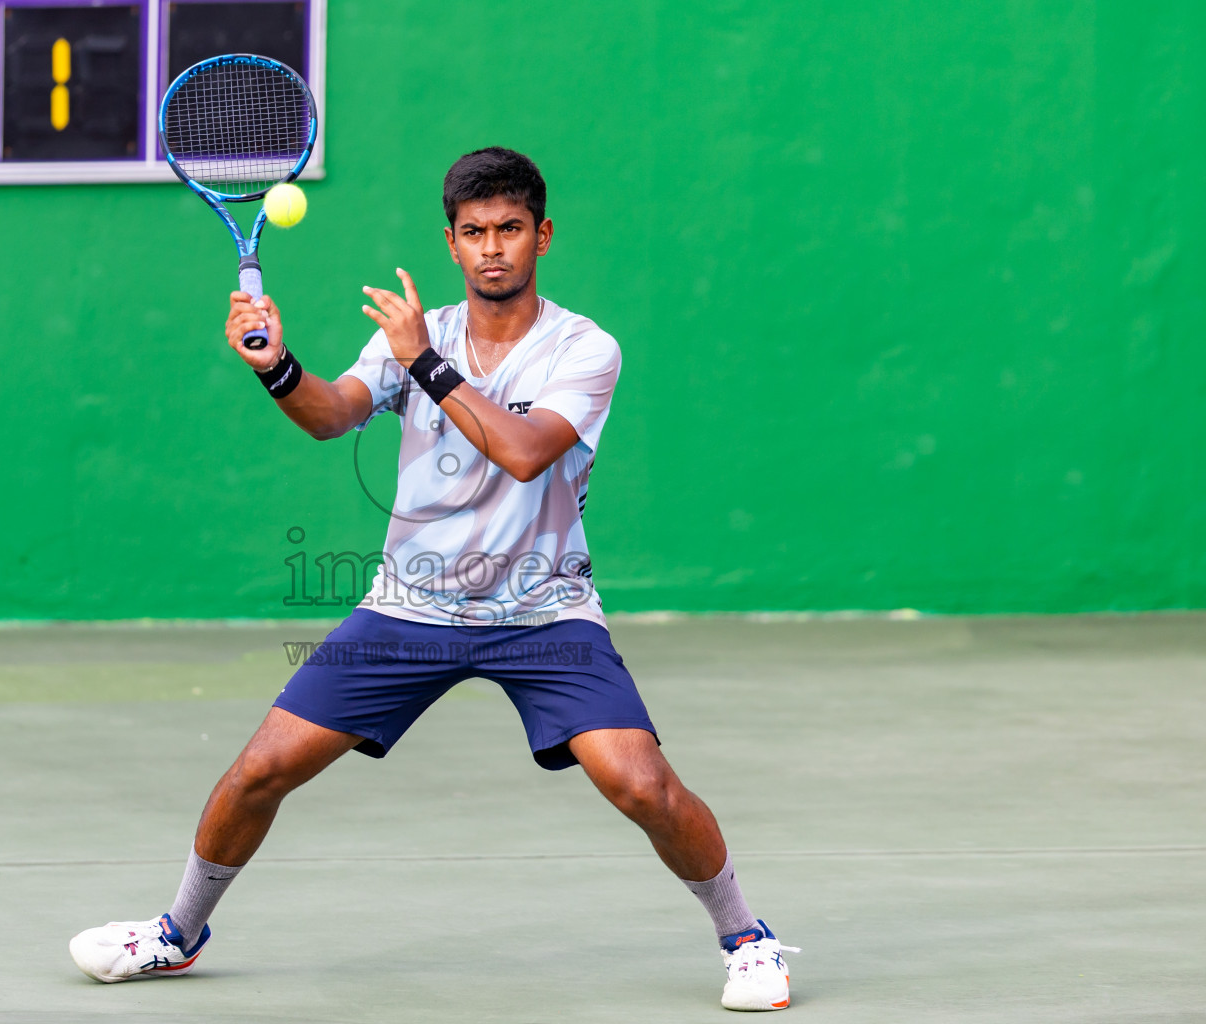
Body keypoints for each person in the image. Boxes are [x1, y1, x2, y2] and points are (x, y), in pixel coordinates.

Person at [69, 147, 797, 1012]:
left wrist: (425, 363)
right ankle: (176, 933)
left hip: (545, 612)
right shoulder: (414, 336)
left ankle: (746, 938)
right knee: (258, 771)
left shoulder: (584, 348)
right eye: (474, 232)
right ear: (451, 242)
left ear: (543, 236)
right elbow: (332, 414)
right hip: (410, 608)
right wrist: (276, 366)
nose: (493, 248)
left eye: (511, 230)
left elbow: (526, 455)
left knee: (640, 782)